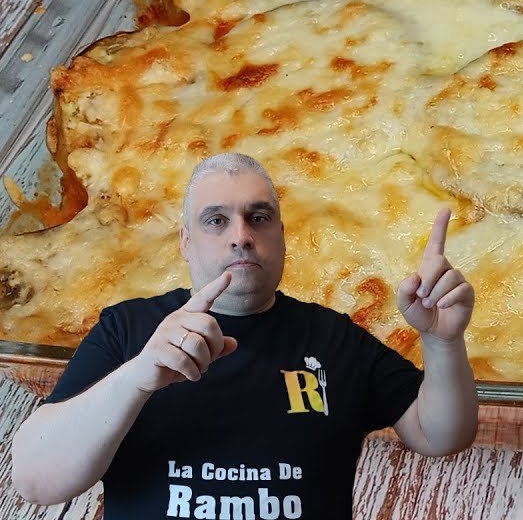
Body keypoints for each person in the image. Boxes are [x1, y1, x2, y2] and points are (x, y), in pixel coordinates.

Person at [12, 152, 478, 519]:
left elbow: (440, 436)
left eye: (258, 217)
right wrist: (135, 378)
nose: (241, 236)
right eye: (216, 220)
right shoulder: (129, 328)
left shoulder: (335, 338)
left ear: (281, 234)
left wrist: (442, 342)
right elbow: (36, 481)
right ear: (185, 242)